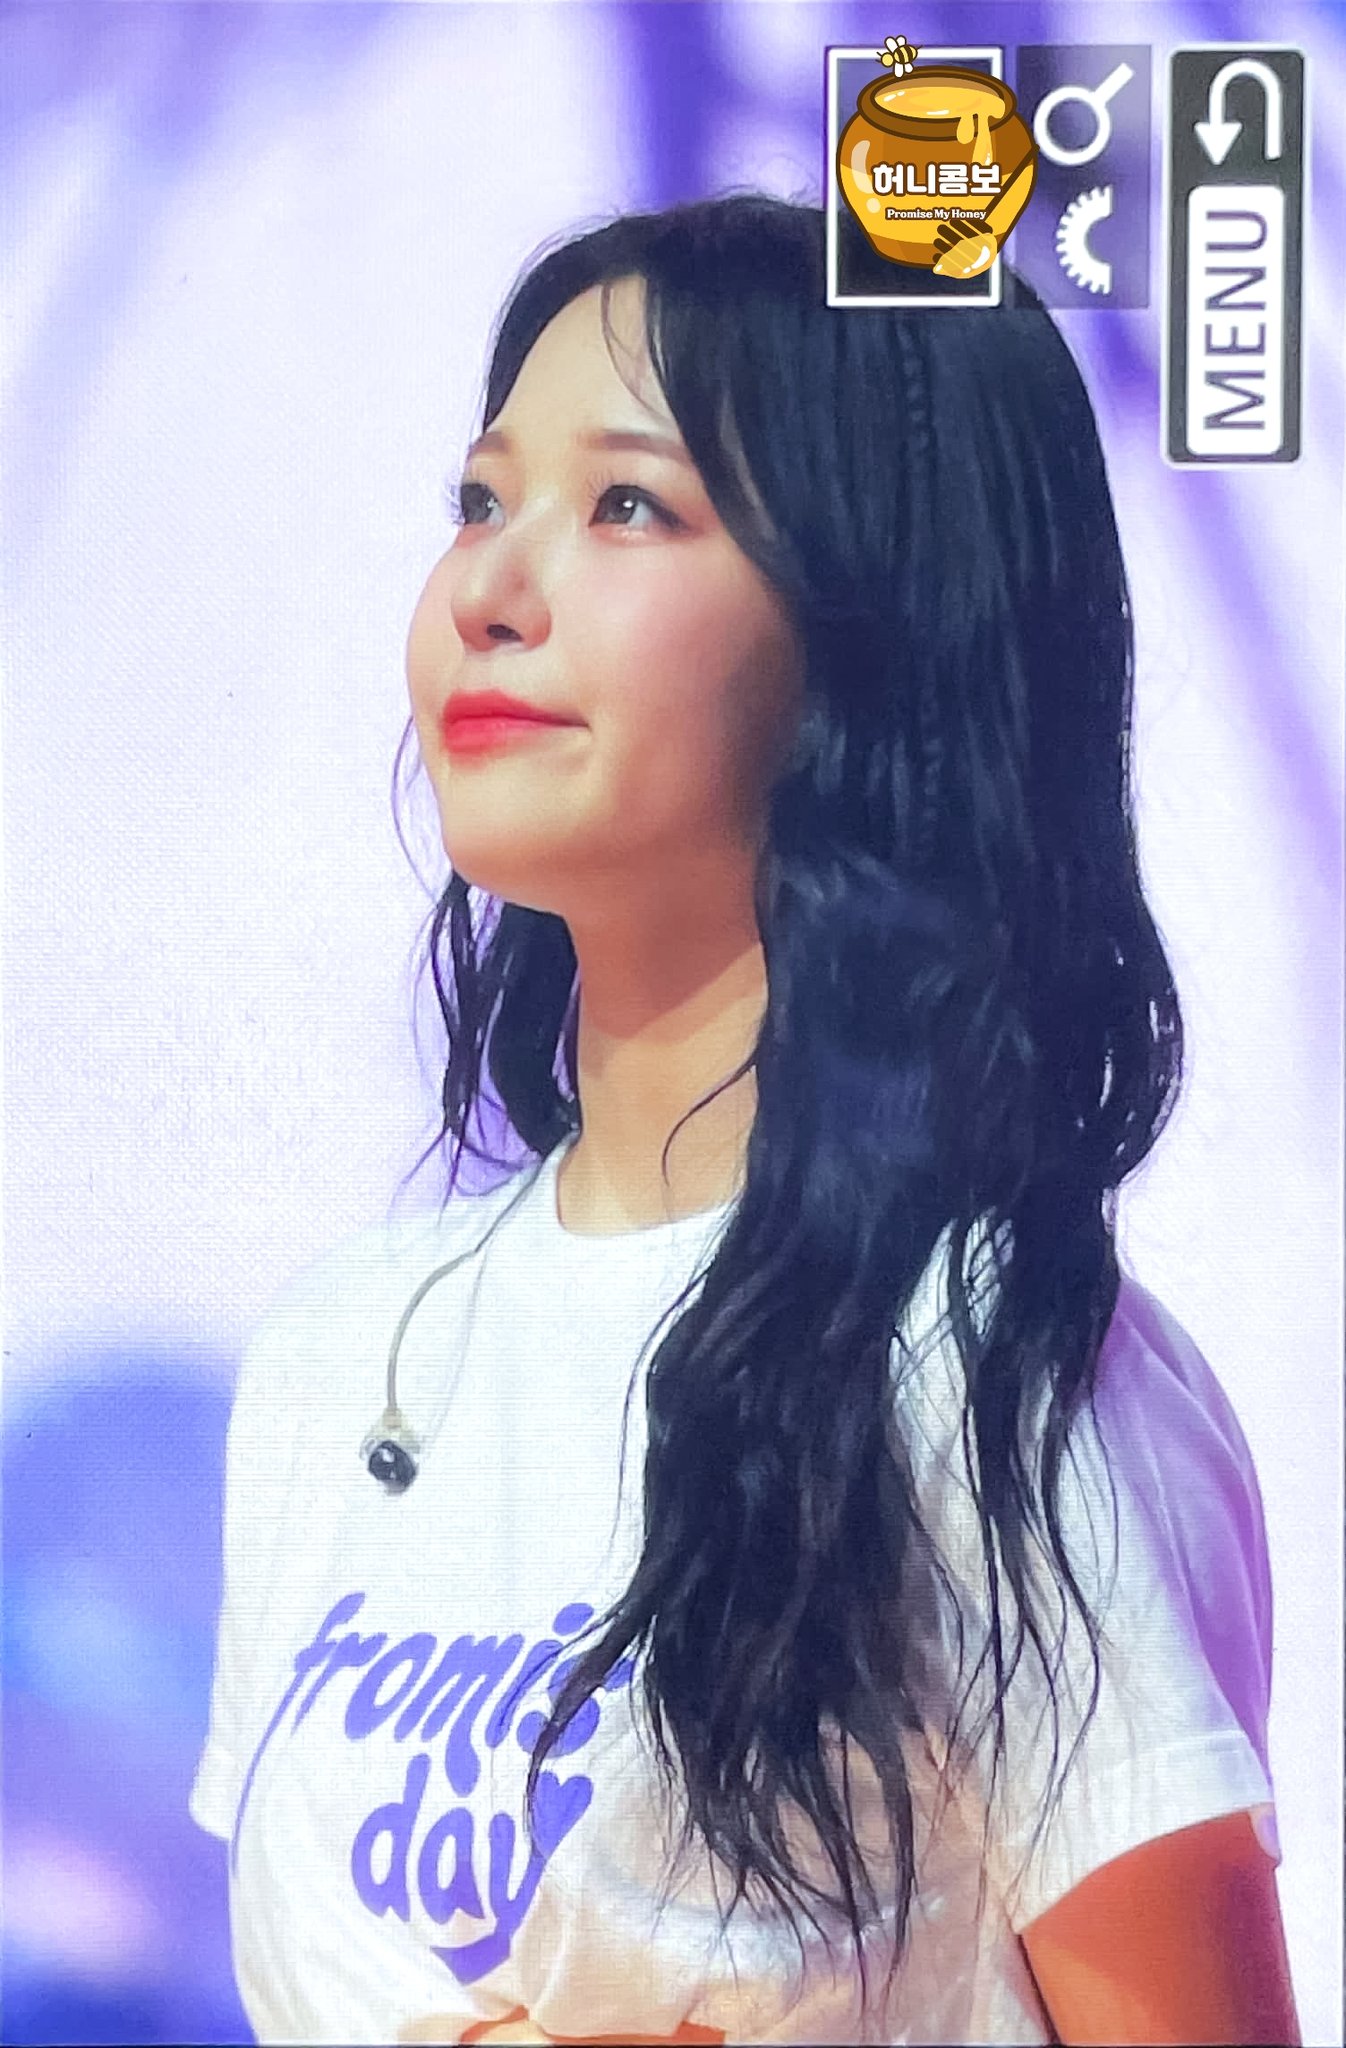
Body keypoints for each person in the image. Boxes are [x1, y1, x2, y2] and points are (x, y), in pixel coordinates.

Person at [189, 193, 1302, 2046]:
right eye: (479, 499)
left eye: (628, 506)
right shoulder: (341, 1356)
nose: (487, 591)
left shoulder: (991, 1370)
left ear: (868, 628)